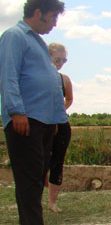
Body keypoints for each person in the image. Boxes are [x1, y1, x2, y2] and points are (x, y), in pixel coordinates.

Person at [0, 0, 66, 225]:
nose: (54, 23)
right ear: (38, 12)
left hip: (43, 118)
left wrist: (56, 117)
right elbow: (8, 76)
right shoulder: (14, 37)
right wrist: (17, 111)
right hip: (26, 118)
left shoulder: (36, 41)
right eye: (52, 17)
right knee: (29, 175)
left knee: (38, 175)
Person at [46, 42, 73, 212]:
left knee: (57, 162)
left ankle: (52, 202)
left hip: (61, 125)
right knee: (40, 162)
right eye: (57, 59)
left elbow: (69, 99)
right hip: (42, 124)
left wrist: (58, 112)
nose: (60, 63)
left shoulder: (64, 79)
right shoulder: (37, 77)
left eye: (64, 60)